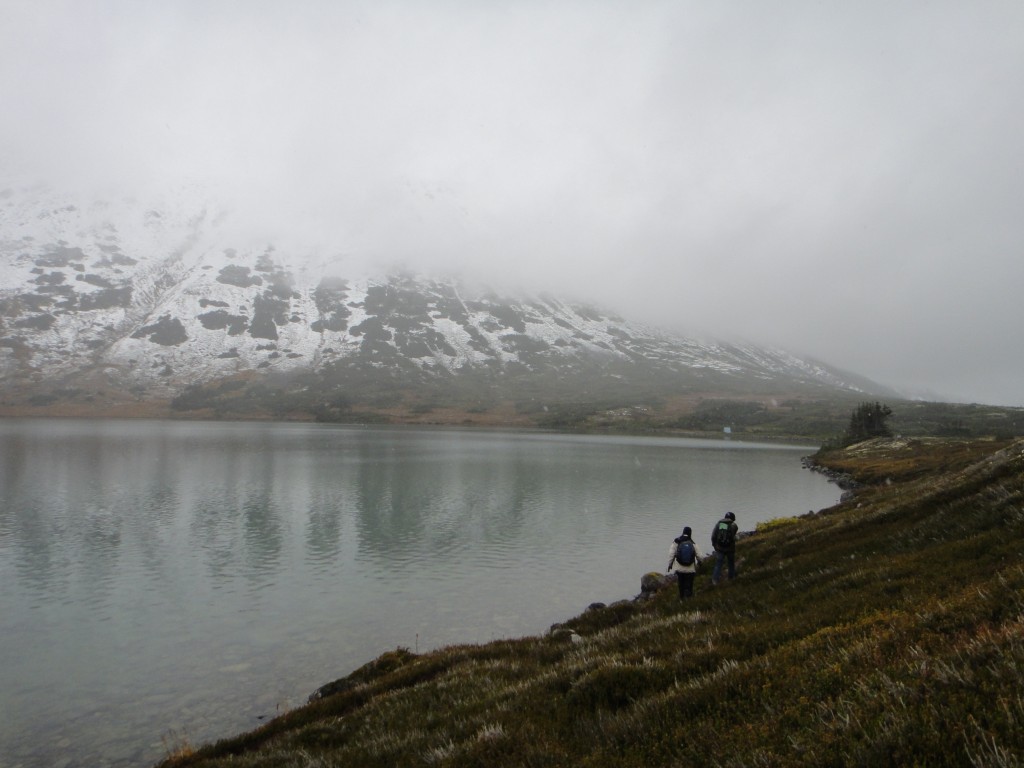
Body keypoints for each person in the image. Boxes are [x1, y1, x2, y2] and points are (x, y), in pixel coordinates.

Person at [667, 526, 703, 599]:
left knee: (681, 585)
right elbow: (700, 556)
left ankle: (682, 599)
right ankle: (688, 600)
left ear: (683, 532)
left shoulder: (676, 541)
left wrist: (670, 565)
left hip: (680, 570)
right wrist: (700, 562)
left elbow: (671, 554)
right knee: (689, 586)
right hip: (690, 570)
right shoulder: (692, 543)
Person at [711, 511, 739, 585]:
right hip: (730, 548)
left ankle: (715, 580)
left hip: (720, 548)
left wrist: (714, 545)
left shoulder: (719, 524)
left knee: (718, 564)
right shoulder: (734, 525)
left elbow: (713, 536)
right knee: (731, 563)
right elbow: (734, 537)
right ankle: (731, 578)